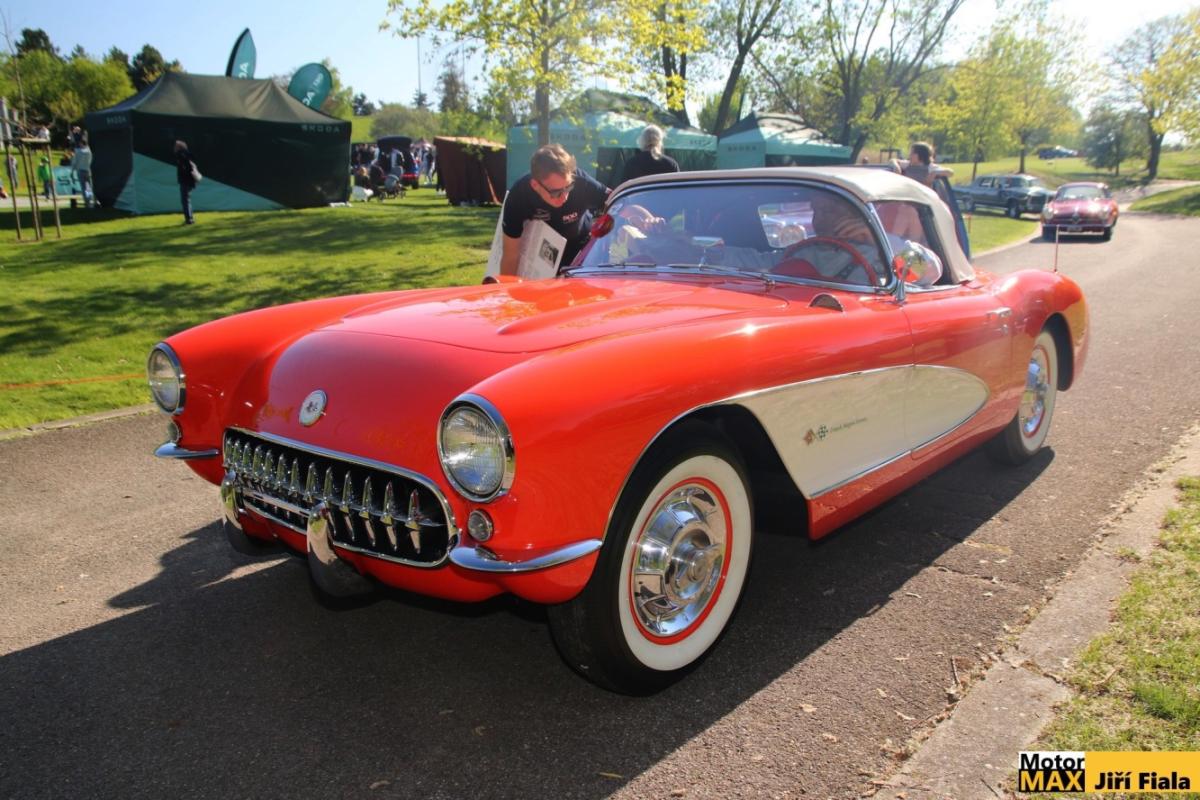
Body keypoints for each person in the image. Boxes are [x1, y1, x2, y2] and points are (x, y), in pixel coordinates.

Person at [499, 143, 611, 276]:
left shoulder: (582, 182)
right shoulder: (519, 196)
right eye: (556, 193)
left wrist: (633, 217)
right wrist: (506, 287)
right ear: (535, 185)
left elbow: (616, 200)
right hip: (541, 253)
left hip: (580, 246)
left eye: (568, 187)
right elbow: (510, 255)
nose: (564, 197)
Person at [174, 140, 197, 224]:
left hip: (185, 181)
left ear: (179, 147)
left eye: (176, 146)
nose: (174, 148)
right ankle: (190, 218)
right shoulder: (188, 154)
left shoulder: (180, 155)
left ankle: (189, 219)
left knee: (185, 200)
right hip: (190, 180)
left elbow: (185, 168)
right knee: (187, 200)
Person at [73, 139, 94, 209]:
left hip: (80, 170)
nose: (79, 145)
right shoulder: (89, 152)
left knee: (83, 187)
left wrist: (72, 170)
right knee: (88, 187)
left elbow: (75, 161)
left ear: (82, 143)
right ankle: (90, 201)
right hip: (88, 170)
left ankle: (87, 202)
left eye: (80, 143)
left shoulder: (78, 152)